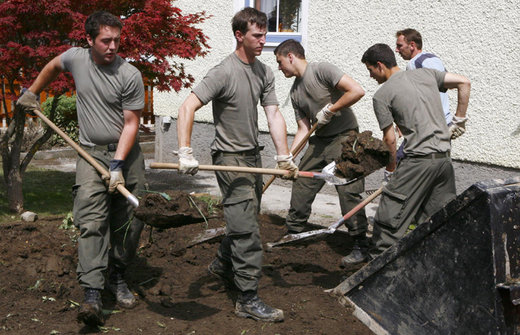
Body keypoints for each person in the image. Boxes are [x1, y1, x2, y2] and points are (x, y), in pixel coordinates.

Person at [17, 11, 145, 327]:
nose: (113, 46)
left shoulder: (130, 74)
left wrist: (117, 165)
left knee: (129, 220)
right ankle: (91, 292)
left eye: (117, 39)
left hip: (126, 156)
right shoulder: (76, 58)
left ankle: (116, 276)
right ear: (89, 40)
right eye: (106, 40)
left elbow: (131, 124)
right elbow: (52, 66)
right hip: (89, 154)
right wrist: (33, 92)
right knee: (91, 220)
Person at [176, 7, 297, 322]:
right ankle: (247, 298)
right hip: (229, 159)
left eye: (265, 34)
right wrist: (185, 151)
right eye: (257, 35)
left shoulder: (263, 72)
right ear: (239, 35)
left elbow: (272, 113)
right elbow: (188, 106)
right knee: (247, 231)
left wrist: (284, 155)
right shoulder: (223, 71)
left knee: (244, 218)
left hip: (252, 156)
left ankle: (221, 264)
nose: (263, 41)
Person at [356, 43, 470, 261]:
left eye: (370, 70)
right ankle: (441, 267)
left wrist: (391, 170)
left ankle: (377, 277)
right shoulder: (427, 75)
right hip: (443, 160)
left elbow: (390, 139)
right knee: (438, 220)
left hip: (418, 160)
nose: (370, 76)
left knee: (388, 220)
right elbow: (464, 82)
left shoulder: (382, 95)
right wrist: (459, 120)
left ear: (380, 66)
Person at [273, 39, 369, 267]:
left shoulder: (322, 70)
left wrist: (331, 108)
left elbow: (357, 90)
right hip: (319, 141)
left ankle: (359, 244)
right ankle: (293, 231)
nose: (279, 68)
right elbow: (304, 129)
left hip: (344, 136)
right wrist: (289, 157)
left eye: (279, 62)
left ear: (290, 56)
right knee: (302, 180)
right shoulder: (295, 92)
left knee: (348, 188)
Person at [394, 29, 467, 163]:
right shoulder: (434, 59)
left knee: (399, 164)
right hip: (444, 126)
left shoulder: (414, 64)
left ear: (412, 45)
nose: (396, 50)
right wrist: (457, 121)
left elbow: (413, 98)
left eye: (399, 46)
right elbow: (448, 86)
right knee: (437, 166)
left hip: (427, 130)